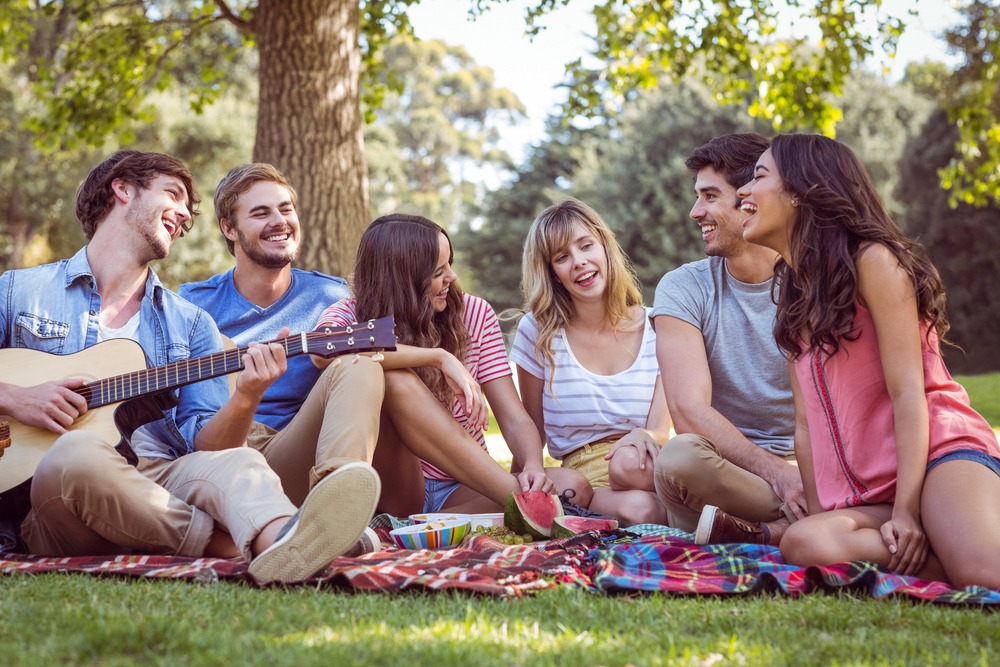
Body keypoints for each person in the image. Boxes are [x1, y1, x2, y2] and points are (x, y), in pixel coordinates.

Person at [0, 151, 378, 584]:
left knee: (239, 464)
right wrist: (16, 398)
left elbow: (212, 451)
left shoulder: (191, 322)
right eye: (174, 195)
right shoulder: (20, 291)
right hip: (55, 501)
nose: (183, 215)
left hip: (160, 475)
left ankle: (286, 540)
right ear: (122, 189)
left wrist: (247, 394)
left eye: (187, 208)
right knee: (77, 453)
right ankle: (230, 546)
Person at [739, 133, 1000, 588]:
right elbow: (805, 425)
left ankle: (956, 538)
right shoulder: (793, 301)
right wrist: (819, 515)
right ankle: (950, 544)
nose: (744, 191)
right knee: (804, 543)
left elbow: (908, 392)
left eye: (759, 176)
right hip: (872, 493)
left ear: (801, 190)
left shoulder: (874, 262)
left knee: (984, 575)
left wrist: (907, 510)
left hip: (938, 455)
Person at [315, 213, 567, 516]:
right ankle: (516, 502)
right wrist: (438, 357)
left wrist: (533, 466)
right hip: (397, 489)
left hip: (463, 486)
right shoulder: (350, 314)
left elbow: (513, 418)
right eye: (438, 271)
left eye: (450, 263)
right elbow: (322, 350)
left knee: (571, 483)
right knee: (393, 377)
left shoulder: (474, 314)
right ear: (403, 279)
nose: (452, 277)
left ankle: (441, 524)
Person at [180, 164, 385, 524]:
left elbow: (376, 353)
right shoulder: (192, 306)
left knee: (358, 366)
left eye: (286, 209)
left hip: (297, 453)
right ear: (229, 228)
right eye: (260, 213)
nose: (279, 221)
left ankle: (338, 514)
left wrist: (440, 358)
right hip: (226, 459)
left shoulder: (330, 296)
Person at [650, 133, 805, 545]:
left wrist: (803, 473)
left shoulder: (813, 284)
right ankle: (814, 517)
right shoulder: (683, 287)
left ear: (750, 198)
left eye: (709, 196)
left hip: (809, 467)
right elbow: (686, 409)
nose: (694, 211)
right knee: (680, 457)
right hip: (723, 471)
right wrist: (779, 474)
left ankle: (761, 533)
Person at [510, 199, 668, 525]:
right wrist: (522, 491)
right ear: (551, 273)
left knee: (629, 468)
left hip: (641, 465)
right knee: (636, 508)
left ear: (605, 248)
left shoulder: (659, 326)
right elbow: (531, 431)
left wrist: (647, 436)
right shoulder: (539, 331)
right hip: (579, 479)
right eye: (562, 257)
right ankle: (593, 510)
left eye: (586, 246)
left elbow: (660, 429)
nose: (579, 262)